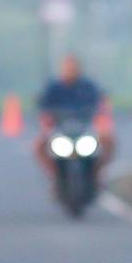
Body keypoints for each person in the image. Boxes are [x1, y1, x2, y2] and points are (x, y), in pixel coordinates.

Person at [34, 52, 110, 180]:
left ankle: (97, 172)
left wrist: (101, 118)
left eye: (73, 68)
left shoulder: (88, 86)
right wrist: (46, 121)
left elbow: (100, 106)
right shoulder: (53, 87)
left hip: (85, 128)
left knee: (108, 139)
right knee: (39, 145)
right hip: (60, 128)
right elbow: (44, 108)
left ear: (79, 69)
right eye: (68, 68)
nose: (71, 70)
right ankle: (54, 174)